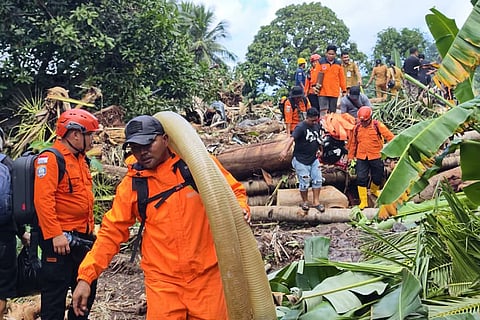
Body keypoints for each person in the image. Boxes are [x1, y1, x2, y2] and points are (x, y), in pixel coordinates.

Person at [72, 115, 251, 319]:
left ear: (165, 139)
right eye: (135, 147)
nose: (142, 152)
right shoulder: (133, 185)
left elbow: (234, 191)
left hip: (207, 276)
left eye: (148, 143)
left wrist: (240, 209)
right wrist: (86, 277)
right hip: (163, 282)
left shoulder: (195, 166)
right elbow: (111, 233)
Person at [34, 109, 101, 320]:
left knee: (85, 296)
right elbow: (42, 200)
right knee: (54, 299)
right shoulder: (51, 159)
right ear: (74, 135)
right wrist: (55, 234)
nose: (92, 139)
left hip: (83, 240)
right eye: (89, 135)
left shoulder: (81, 160)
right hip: (60, 243)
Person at [0, 127, 29, 317]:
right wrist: (22, 232)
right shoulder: (10, 165)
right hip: (4, 236)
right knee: (2, 288)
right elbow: (18, 204)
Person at [347, 106, 395, 209]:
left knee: (378, 176)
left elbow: (390, 138)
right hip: (361, 156)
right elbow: (353, 143)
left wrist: (392, 155)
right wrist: (350, 157)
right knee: (361, 178)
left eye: (365, 121)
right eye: (361, 121)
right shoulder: (357, 128)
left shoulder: (378, 125)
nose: (363, 123)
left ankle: (374, 190)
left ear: (370, 118)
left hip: (376, 155)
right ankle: (363, 201)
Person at [280, 108, 325, 212]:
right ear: (307, 117)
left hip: (313, 158)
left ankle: (316, 202)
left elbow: (318, 139)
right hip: (300, 159)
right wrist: (284, 151)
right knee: (304, 181)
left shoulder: (317, 126)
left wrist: (321, 150)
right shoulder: (300, 127)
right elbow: (292, 139)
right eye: (312, 120)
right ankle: (305, 201)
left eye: (315, 120)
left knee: (318, 179)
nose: (313, 122)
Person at [317, 45, 347, 116]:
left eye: (332, 54)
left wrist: (344, 90)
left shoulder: (338, 64)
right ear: (326, 53)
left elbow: (342, 78)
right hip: (322, 92)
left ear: (335, 54)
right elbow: (316, 75)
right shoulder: (321, 62)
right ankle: (323, 126)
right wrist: (315, 86)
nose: (330, 56)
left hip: (334, 92)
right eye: (329, 54)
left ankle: (332, 126)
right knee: (323, 111)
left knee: (332, 113)